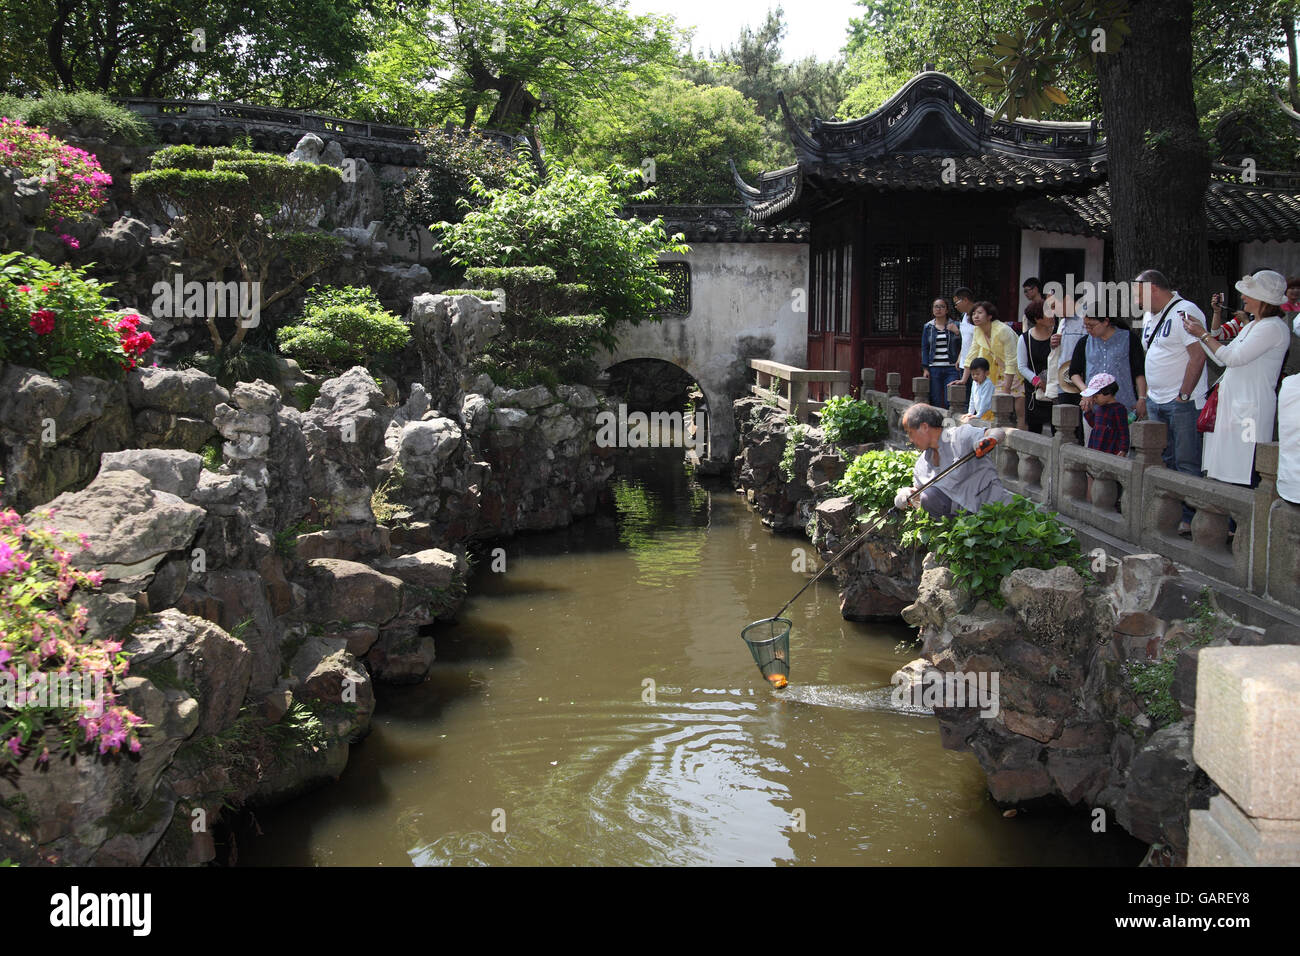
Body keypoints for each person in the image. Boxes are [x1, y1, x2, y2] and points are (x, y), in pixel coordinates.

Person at [1182, 269, 1292, 487]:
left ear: (1263, 300)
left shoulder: (1273, 328)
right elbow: (1222, 358)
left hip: (1251, 410)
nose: (1243, 298)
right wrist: (1202, 333)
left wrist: (1202, 334)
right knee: (1226, 464)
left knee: (1246, 460)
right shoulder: (1253, 325)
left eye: (1248, 294)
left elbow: (1233, 358)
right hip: (1233, 405)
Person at [1134, 268, 1208, 535]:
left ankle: (1191, 518)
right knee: (1164, 459)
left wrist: (1184, 394)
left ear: (1153, 288)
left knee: (1187, 460)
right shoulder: (1148, 317)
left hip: (1181, 401)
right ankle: (1169, 512)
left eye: (1139, 294)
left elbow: (1198, 356)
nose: (1137, 301)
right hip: (1156, 398)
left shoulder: (1185, 311)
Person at [894, 403, 1010, 518]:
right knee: (929, 497)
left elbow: (997, 432)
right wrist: (907, 493)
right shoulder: (922, 464)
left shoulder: (960, 435)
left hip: (992, 507)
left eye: (910, 432)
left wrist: (991, 439)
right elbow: (920, 491)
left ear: (924, 427)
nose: (910, 439)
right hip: (962, 517)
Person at [1069, 312, 1148, 422]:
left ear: (1106, 321)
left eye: (1091, 326)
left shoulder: (1129, 339)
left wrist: (1142, 398)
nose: (1088, 330)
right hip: (1094, 408)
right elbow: (1074, 372)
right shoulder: (1084, 342)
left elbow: (1139, 372)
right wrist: (1086, 391)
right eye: (1086, 326)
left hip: (1125, 404)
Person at [965, 301, 1023, 426]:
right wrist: (963, 380)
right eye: (973, 313)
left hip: (1016, 369)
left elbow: (1011, 359)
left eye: (980, 313)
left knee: (1019, 411)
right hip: (996, 369)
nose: (975, 316)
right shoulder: (977, 330)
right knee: (994, 406)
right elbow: (972, 354)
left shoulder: (1003, 330)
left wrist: (1007, 390)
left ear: (990, 316)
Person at [1016, 300, 1057, 434]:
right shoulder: (1025, 338)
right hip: (1035, 390)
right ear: (1037, 318)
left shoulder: (1057, 335)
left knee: (1058, 428)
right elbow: (1022, 366)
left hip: (1056, 388)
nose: (1052, 315)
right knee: (1034, 429)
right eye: (1048, 312)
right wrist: (1038, 382)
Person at [921, 297, 962, 408]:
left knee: (950, 399)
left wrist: (957, 332)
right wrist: (925, 368)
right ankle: (938, 424)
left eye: (942, 306)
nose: (939, 309)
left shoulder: (956, 325)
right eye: (936, 306)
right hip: (934, 368)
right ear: (933, 309)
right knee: (935, 399)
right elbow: (924, 348)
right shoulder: (928, 327)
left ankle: (950, 424)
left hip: (952, 367)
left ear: (947, 310)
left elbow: (965, 345)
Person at [1081, 373, 1129, 456]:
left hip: (1111, 447)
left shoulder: (1118, 409)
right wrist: (1088, 411)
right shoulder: (1100, 408)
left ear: (1108, 392)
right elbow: (1095, 425)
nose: (1094, 399)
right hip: (1097, 444)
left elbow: (1123, 431)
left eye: (1096, 396)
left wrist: (1123, 449)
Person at [953, 287, 978, 385]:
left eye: (956, 303)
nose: (955, 306)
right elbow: (966, 340)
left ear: (965, 300)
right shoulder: (964, 316)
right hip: (964, 364)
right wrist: (960, 357)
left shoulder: (978, 317)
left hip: (976, 365)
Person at [962, 356, 995, 423]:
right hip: (979, 413)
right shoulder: (974, 383)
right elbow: (972, 398)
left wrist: (978, 415)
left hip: (988, 414)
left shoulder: (988, 384)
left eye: (977, 374)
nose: (975, 376)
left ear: (986, 373)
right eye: (973, 374)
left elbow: (985, 401)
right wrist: (970, 412)